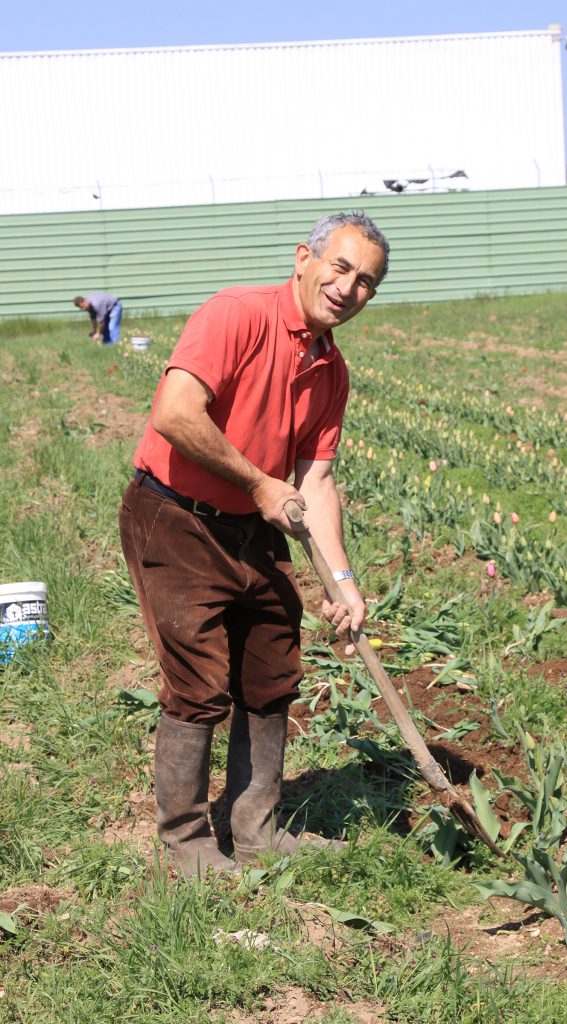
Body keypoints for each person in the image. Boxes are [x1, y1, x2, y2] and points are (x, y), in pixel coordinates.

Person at [119, 211, 389, 876]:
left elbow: (316, 479)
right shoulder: (235, 315)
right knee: (199, 682)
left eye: (365, 283)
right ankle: (184, 843)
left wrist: (344, 583)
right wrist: (258, 482)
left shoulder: (330, 370)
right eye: (340, 267)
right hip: (176, 515)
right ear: (304, 258)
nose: (347, 288)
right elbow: (176, 414)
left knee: (271, 671)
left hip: (252, 527)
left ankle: (255, 828)